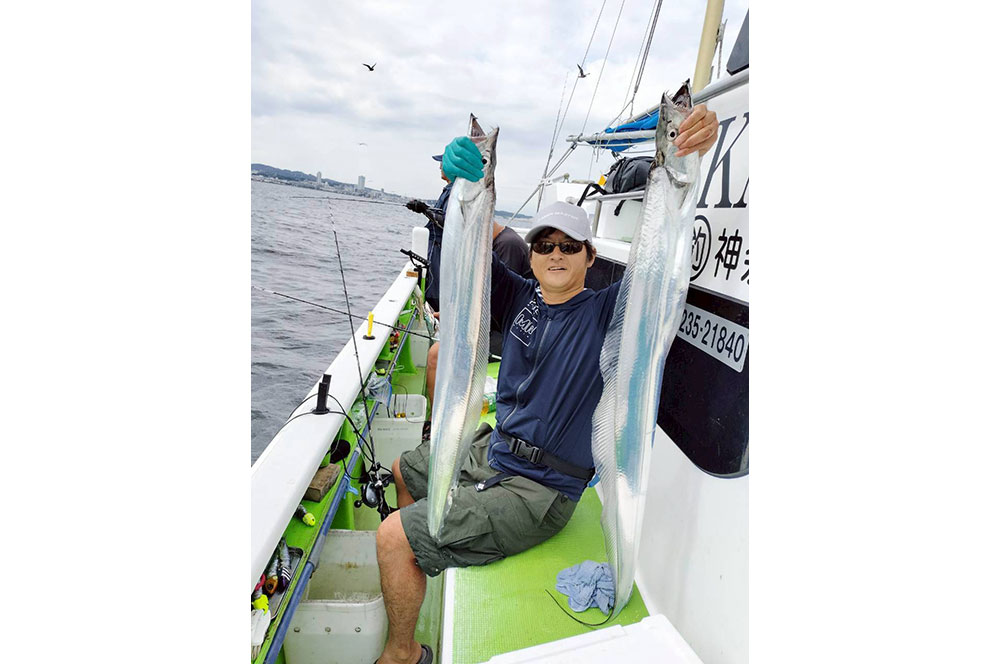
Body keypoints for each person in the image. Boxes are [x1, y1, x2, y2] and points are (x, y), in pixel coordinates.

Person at [375, 104, 719, 664]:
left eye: (569, 246)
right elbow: (464, 250)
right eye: (544, 245)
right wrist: (460, 186)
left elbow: (660, 266)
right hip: (497, 449)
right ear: (531, 252)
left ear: (590, 256)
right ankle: (425, 566)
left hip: (539, 490)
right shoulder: (517, 296)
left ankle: (403, 652)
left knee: (392, 537)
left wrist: (688, 162)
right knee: (404, 469)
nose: (555, 254)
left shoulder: (608, 311)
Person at [424, 218, 530, 415]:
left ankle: (436, 420)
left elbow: (501, 303)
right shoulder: (499, 242)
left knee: (436, 355)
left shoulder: (509, 245)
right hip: (493, 325)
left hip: (509, 333)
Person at [405, 154, 452, 312]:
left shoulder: (454, 192)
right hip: (436, 251)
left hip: (438, 253)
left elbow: (447, 221)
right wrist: (423, 208)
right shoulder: (449, 190)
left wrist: (424, 209)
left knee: (433, 295)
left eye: (442, 163)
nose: (440, 167)